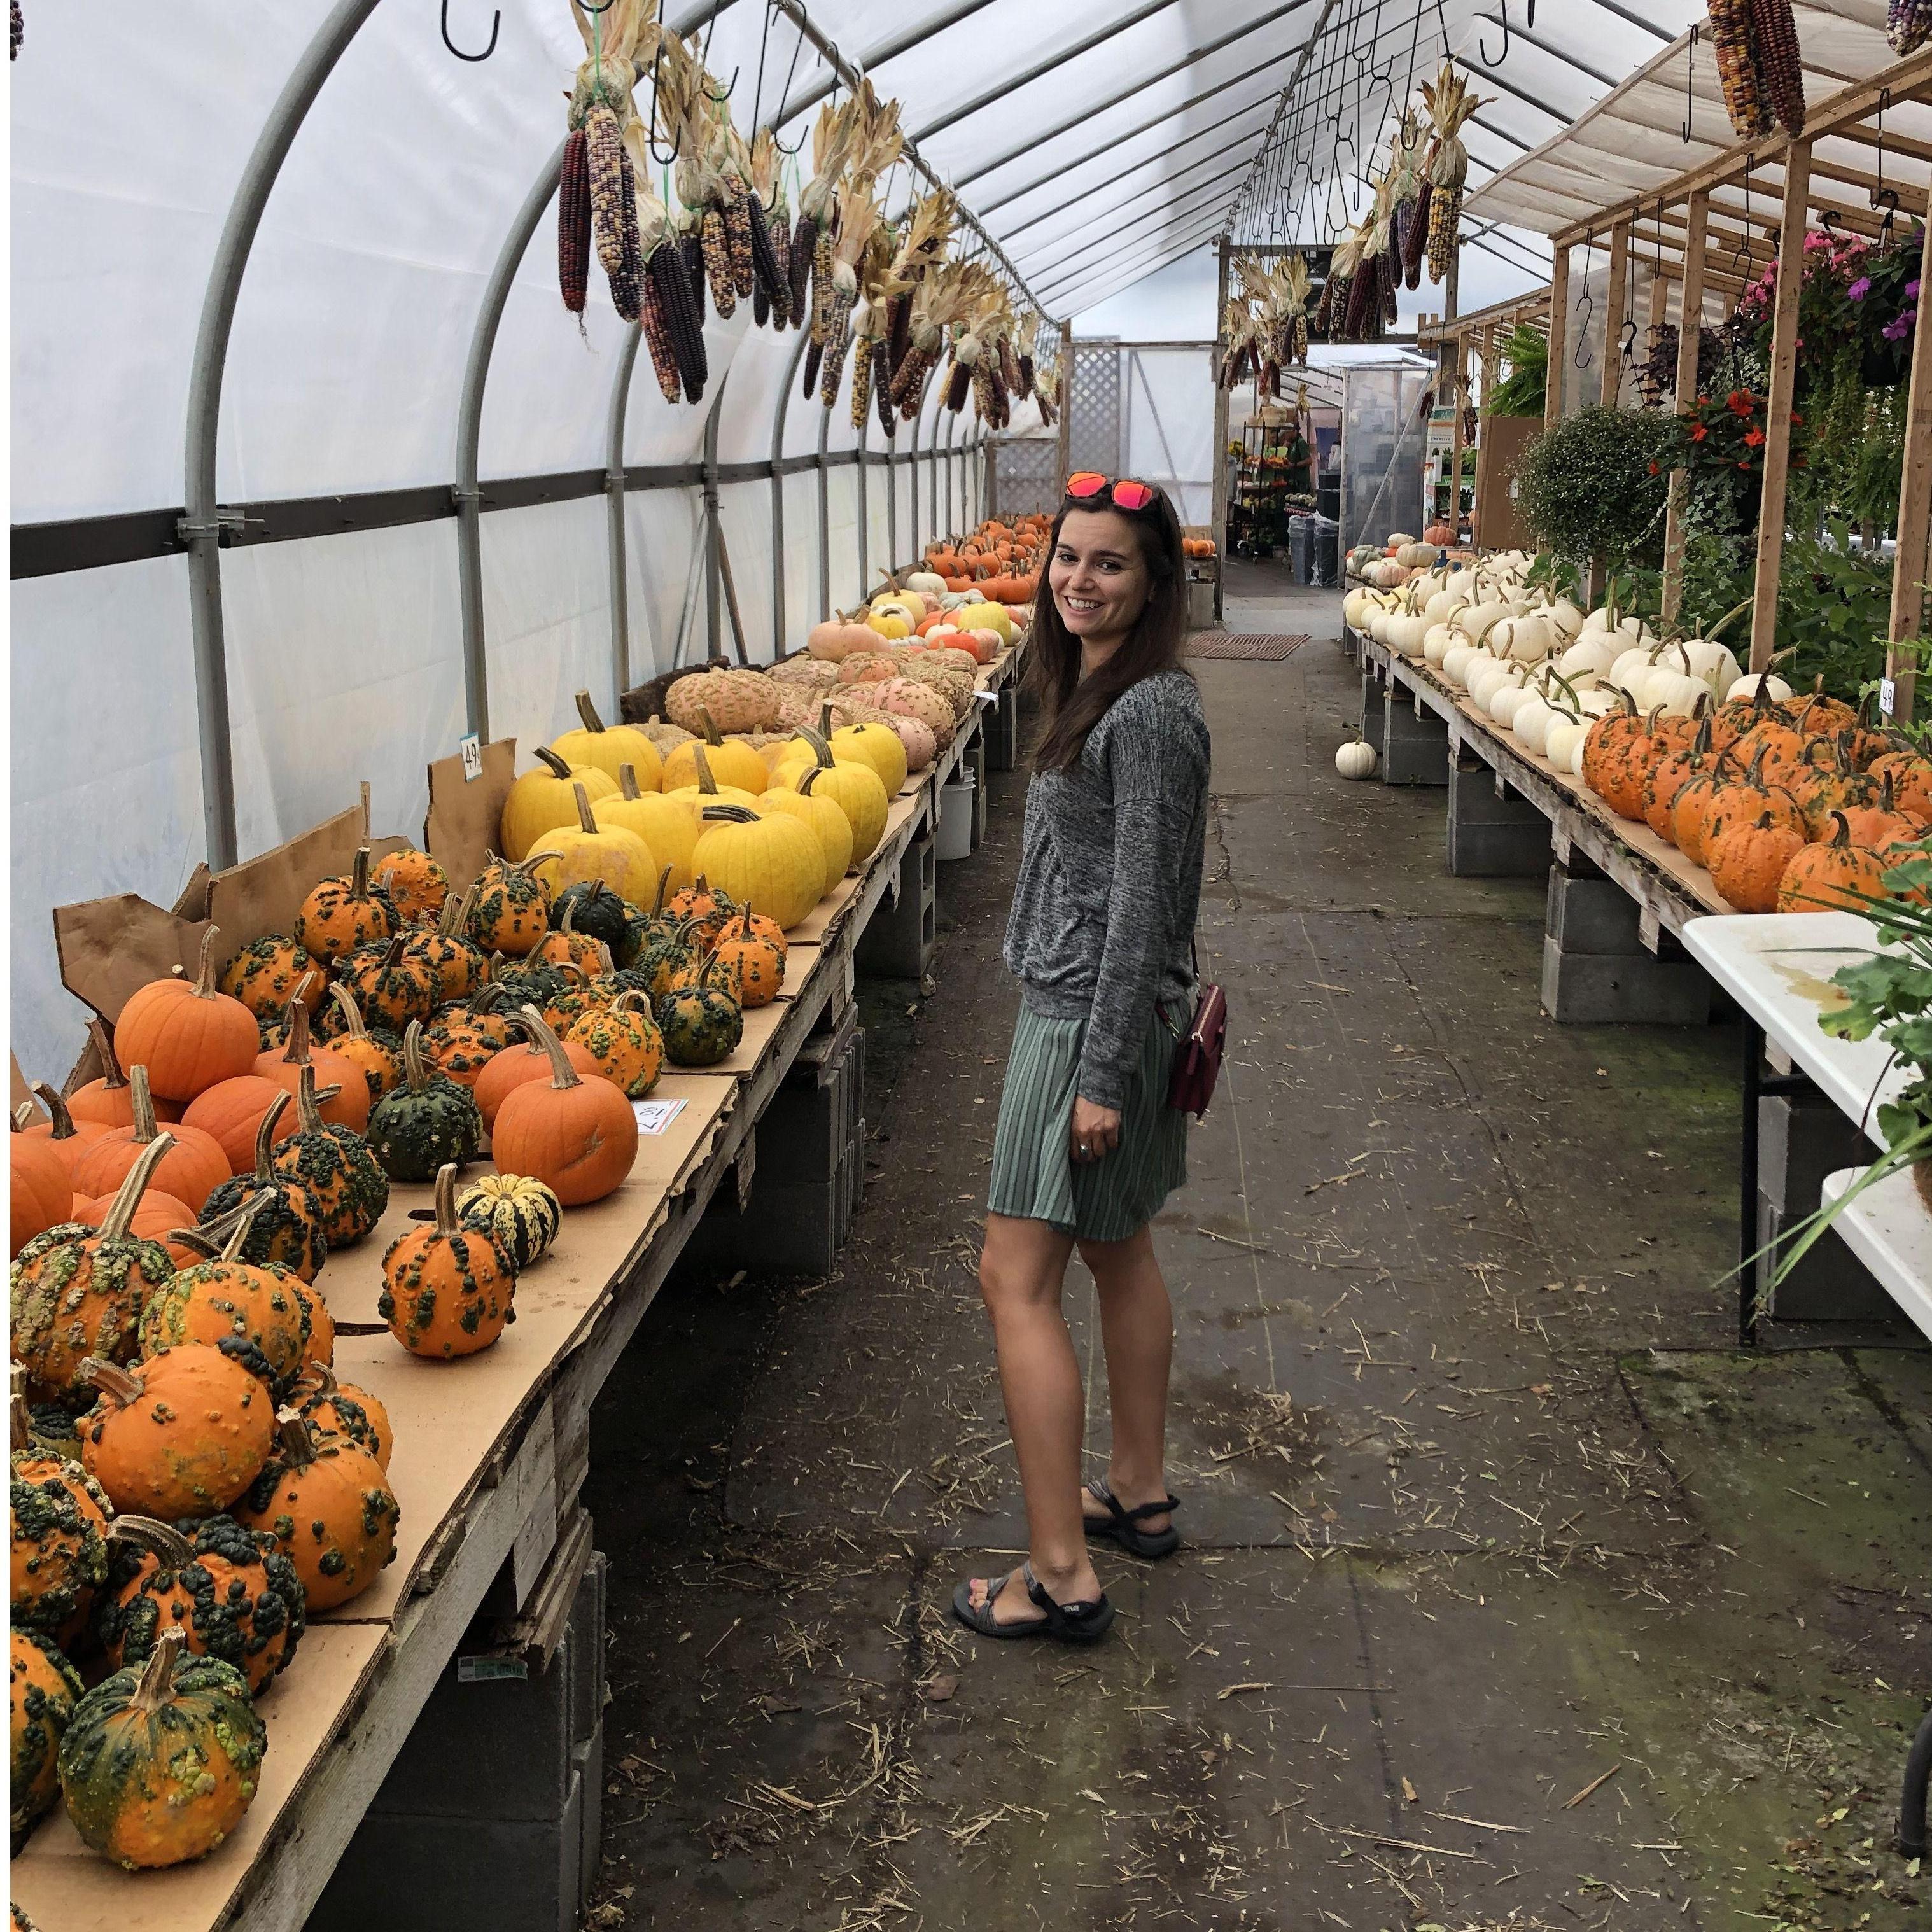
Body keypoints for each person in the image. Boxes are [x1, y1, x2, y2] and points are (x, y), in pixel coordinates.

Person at [953, 474, 1212, 1645]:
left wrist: (1102, 1073)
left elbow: (1145, 908)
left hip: (1086, 1024)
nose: (1077, 580)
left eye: (1109, 563)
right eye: (1068, 557)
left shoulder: (1149, 712)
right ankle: (1140, 1495)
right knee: (1118, 1248)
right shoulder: (1104, 691)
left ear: (1155, 580)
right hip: (1109, 1015)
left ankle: (1059, 1569)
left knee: (1014, 1281)